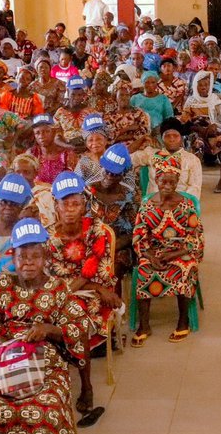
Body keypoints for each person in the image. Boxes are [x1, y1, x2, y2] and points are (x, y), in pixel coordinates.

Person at [0, 218, 91, 434]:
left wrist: (49, 330)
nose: (28, 263)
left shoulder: (57, 288)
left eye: (35, 256)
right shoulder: (2, 286)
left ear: (45, 258)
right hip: (6, 367)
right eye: (22, 257)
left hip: (47, 367)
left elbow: (78, 329)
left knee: (45, 411)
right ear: (13, 258)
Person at [45, 170, 118, 419]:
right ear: (55, 205)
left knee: (75, 318)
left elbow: (97, 269)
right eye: (64, 202)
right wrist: (68, 291)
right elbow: (52, 274)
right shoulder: (48, 236)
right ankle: (52, 379)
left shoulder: (97, 230)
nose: (70, 208)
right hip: (60, 294)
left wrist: (93, 287)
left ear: (84, 204)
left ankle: (86, 385)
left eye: (76, 203)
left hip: (87, 296)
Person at [132, 156, 203, 345]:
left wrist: (173, 254)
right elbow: (139, 237)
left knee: (183, 268)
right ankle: (144, 325)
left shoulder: (186, 205)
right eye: (163, 181)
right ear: (156, 181)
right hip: (154, 251)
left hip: (181, 250)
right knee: (144, 270)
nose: (167, 185)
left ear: (177, 182)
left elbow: (194, 238)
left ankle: (183, 321)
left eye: (172, 182)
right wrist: (150, 256)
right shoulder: (147, 206)